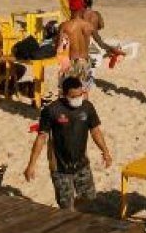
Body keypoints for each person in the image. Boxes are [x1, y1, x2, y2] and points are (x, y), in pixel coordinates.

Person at [24, 75, 113, 210]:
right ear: (63, 94)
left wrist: (105, 151)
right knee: (66, 207)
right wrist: (31, 165)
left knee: (89, 199)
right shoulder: (52, 110)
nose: (78, 99)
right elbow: (41, 138)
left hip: (82, 164)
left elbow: (95, 131)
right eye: (73, 96)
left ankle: (75, 208)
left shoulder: (87, 107)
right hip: (60, 167)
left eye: (80, 94)